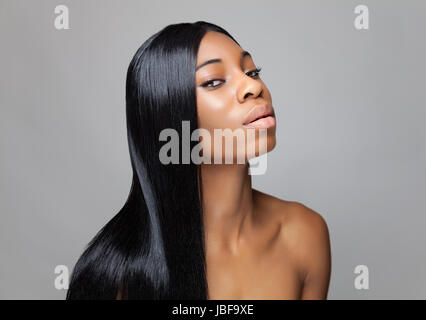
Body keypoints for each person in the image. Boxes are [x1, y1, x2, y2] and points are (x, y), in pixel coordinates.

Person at [66, 21, 331, 300]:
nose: (252, 85)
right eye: (214, 81)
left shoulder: (304, 235)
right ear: (169, 114)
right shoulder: (115, 276)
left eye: (252, 71)